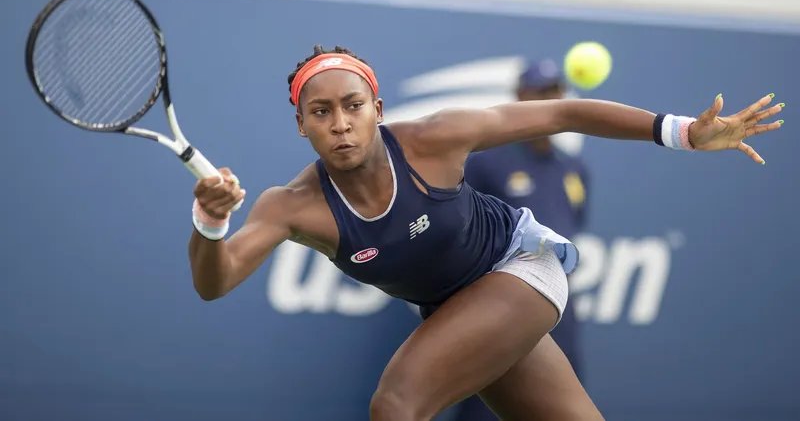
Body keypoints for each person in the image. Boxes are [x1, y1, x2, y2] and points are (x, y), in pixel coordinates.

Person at [188, 45, 782, 421]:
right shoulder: (290, 206)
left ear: (378, 108)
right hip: (458, 307)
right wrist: (210, 222)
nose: (341, 124)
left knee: (396, 405)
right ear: (301, 125)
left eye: (353, 105)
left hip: (519, 268)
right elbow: (214, 284)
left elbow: (563, 114)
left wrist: (683, 132)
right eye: (321, 113)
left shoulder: (435, 138)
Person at [452, 58, 591, 421]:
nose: (549, 100)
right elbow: (462, 236)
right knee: (487, 407)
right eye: (540, 92)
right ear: (518, 96)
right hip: (498, 308)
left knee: (558, 407)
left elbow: (572, 228)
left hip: (558, 307)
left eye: (555, 92)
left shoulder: (573, 168)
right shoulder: (484, 162)